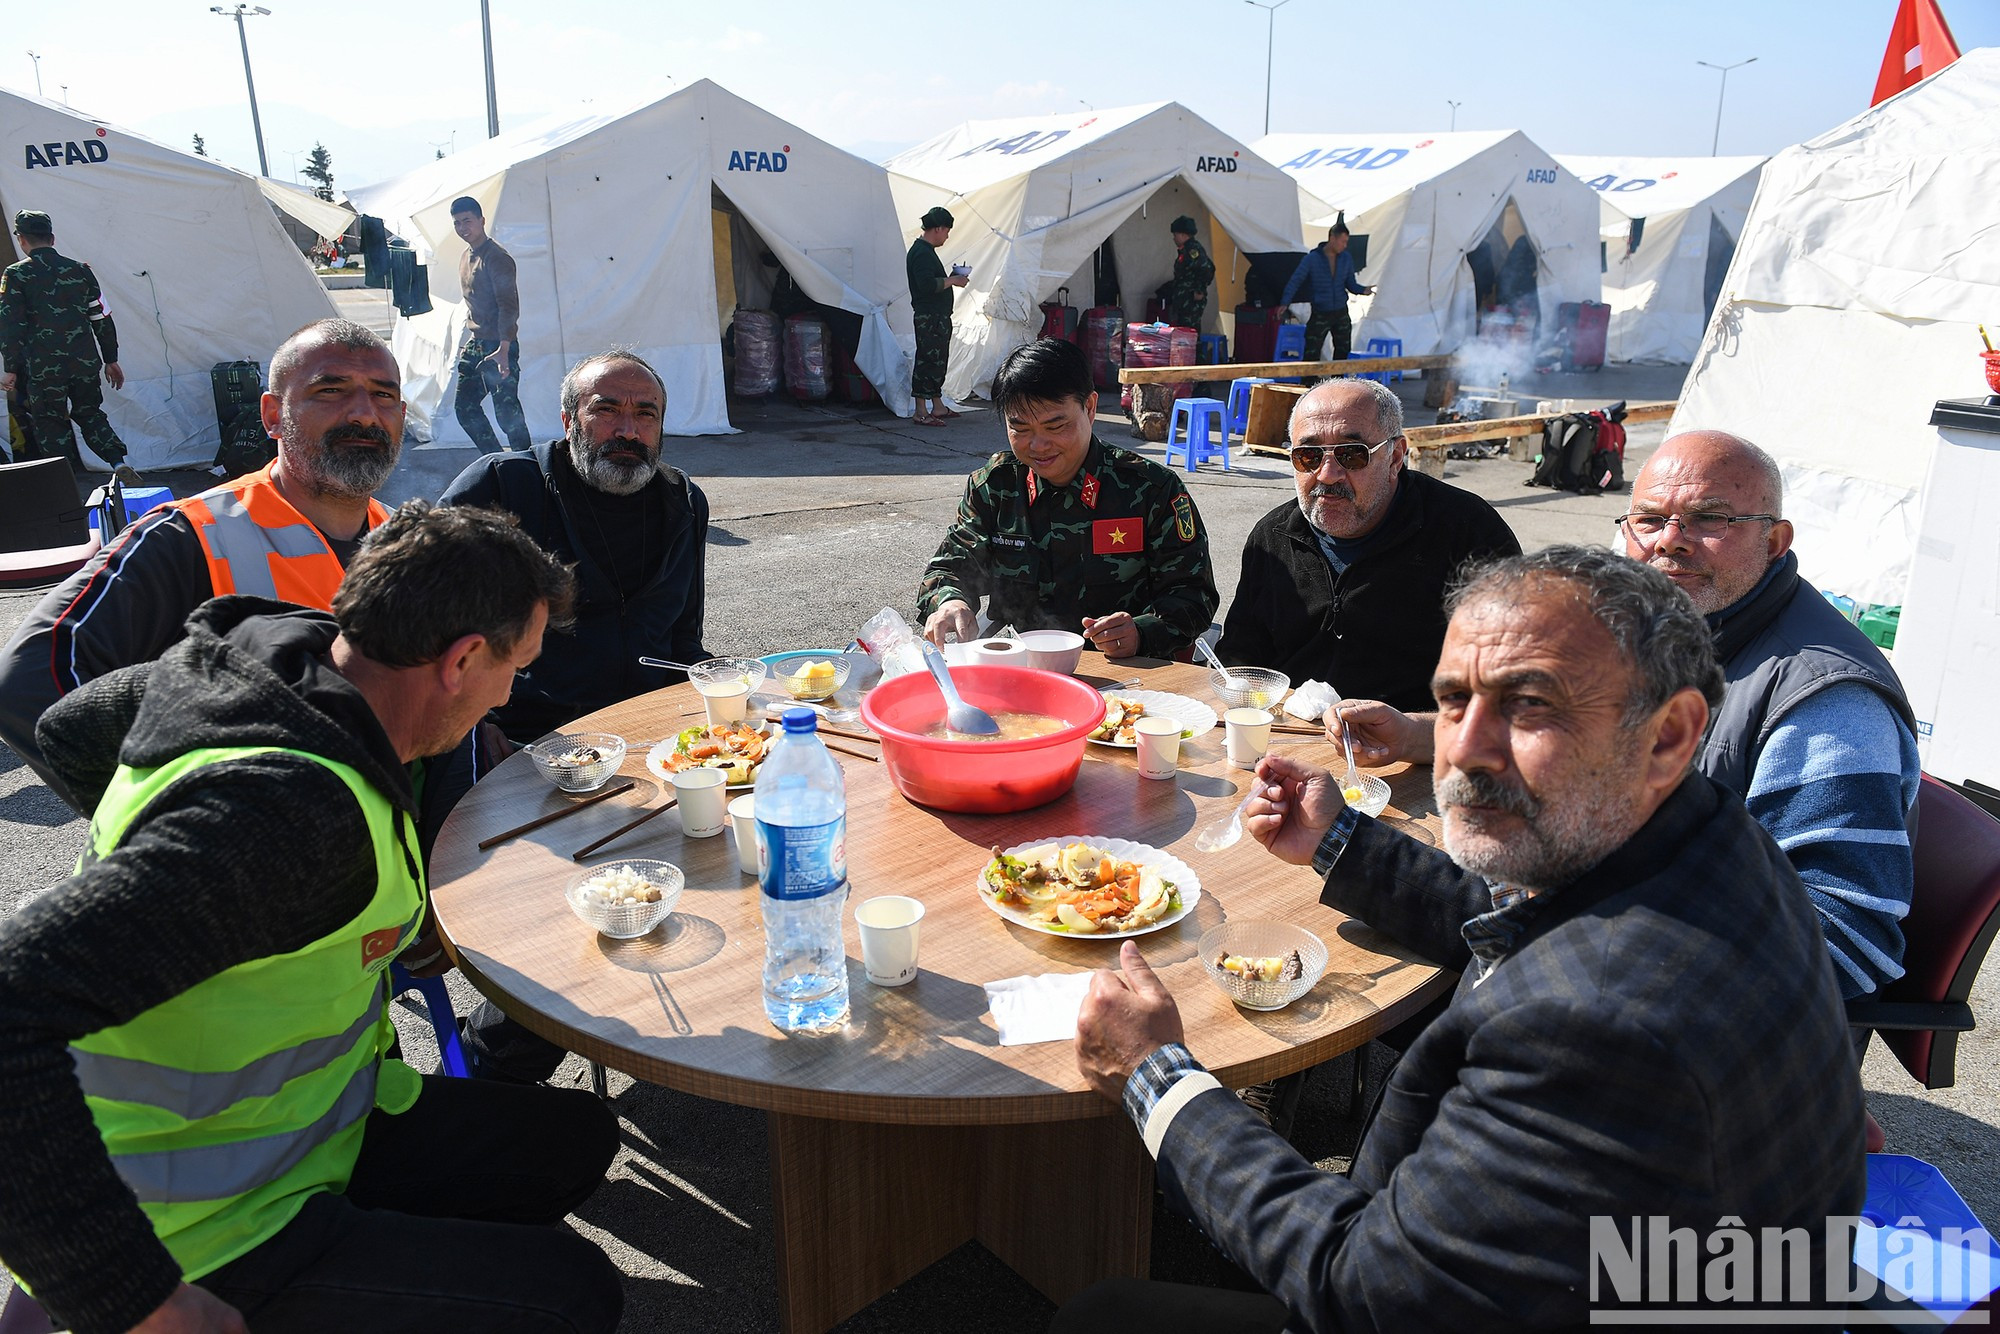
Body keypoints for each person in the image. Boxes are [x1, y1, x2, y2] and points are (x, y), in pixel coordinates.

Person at [1058, 545, 1866, 1332]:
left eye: (1530, 705)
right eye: (1453, 701)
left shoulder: (1597, 1031)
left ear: (1668, 734)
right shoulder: (1707, 834)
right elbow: (1528, 915)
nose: (1464, 751)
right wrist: (1339, 842)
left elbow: (1365, 1290)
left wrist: (1158, 1078)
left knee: (1101, 1314)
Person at [0, 502, 624, 1332]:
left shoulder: (269, 670)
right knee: (575, 1293)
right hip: (195, 1218)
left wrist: (180, 882)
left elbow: (69, 724)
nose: (512, 693)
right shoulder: (286, 817)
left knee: (570, 1142)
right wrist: (132, 1298)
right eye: (517, 668)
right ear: (464, 659)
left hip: (317, 1120)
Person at [1340, 430, 1920, 1002]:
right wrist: (1418, 735)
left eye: (1709, 518)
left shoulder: (1824, 703)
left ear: (1774, 540)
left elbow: (1841, 943)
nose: (1670, 541)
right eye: (1649, 520)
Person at [0, 318, 405, 813]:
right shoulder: (192, 535)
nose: (364, 413)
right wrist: (176, 812)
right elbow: (29, 681)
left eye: (383, 395)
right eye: (330, 391)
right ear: (273, 415)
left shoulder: (404, 540)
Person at [440, 348, 710, 744]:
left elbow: (684, 638)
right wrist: (472, 723)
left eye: (646, 414)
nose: (628, 431)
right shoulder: (502, 486)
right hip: (530, 737)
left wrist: (725, 685)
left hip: (658, 730)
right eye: (607, 410)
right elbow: (424, 624)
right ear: (568, 422)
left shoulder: (683, 501)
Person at [1215, 377, 1518, 709]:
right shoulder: (1273, 537)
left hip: (1418, 733)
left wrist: (1414, 730)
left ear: (1395, 457)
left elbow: (1509, 679)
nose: (1327, 474)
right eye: (1308, 456)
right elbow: (1241, 654)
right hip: (1288, 726)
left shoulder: (1468, 534)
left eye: (1351, 454)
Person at [917, 337, 1218, 660]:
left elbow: (1193, 594)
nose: (1038, 446)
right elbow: (949, 568)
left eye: (1055, 426)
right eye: (1020, 428)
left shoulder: (1151, 489)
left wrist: (1142, 632)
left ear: (1090, 408)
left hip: (1125, 669)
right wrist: (950, 602)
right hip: (1024, 665)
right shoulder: (995, 486)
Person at [0, 209, 137, 479]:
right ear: (52, 238)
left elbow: (10, 324)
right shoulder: (81, 271)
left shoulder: (16, 274)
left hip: (44, 365)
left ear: (21, 239)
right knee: (90, 413)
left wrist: (11, 368)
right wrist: (111, 359)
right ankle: (117, 462)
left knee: (49, 421)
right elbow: (101, 317)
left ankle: (63, 480)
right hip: (84, 361)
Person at [451, 195, 532, 454]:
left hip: (500, 344)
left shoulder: (497, 257)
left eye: (467, 221)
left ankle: (525, 463)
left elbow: (508, 305)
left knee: (507, 414)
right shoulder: (466, 256)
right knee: (465, 408)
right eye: (457, 223)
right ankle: (495, 460)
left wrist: (504, 349)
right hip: (477, 343)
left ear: (481, 220)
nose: (463, 228)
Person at [1279, 212, 1373, 365]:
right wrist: (1285, 302)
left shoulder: (1346, 258)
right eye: (1342, 241)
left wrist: (1363, 290)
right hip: (1320, 311)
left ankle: (1339, 380)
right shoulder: (1312, 259)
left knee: (1343, 351)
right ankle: (1309, 379)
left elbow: (1351, 284)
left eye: (1346, 242)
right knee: (1312, 352)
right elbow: (1296, 280)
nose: (1345, 246)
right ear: (1332, 238)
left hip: (1340, 311)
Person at [907, 205, 967, 426]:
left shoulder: (925, 251)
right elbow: (925, 285)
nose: (947, 236)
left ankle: (937, 405)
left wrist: (950, 279)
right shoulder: (922, 253)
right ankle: (921, 411)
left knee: (937, 361)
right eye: (947, 231)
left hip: (936, 316)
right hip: (929, 317)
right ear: (939, 228)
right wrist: (954, 280)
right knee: (927, 361)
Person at [1164, 215, 1214, 329]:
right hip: (1184, 300)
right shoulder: (1186, 250)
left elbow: (1207, 268)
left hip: (1190, 301)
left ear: (1183, 235)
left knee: (1190, 332)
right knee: (1183, 333)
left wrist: (1199, 290)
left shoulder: (1192, 250)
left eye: (1175, 235)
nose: (1174, 238)